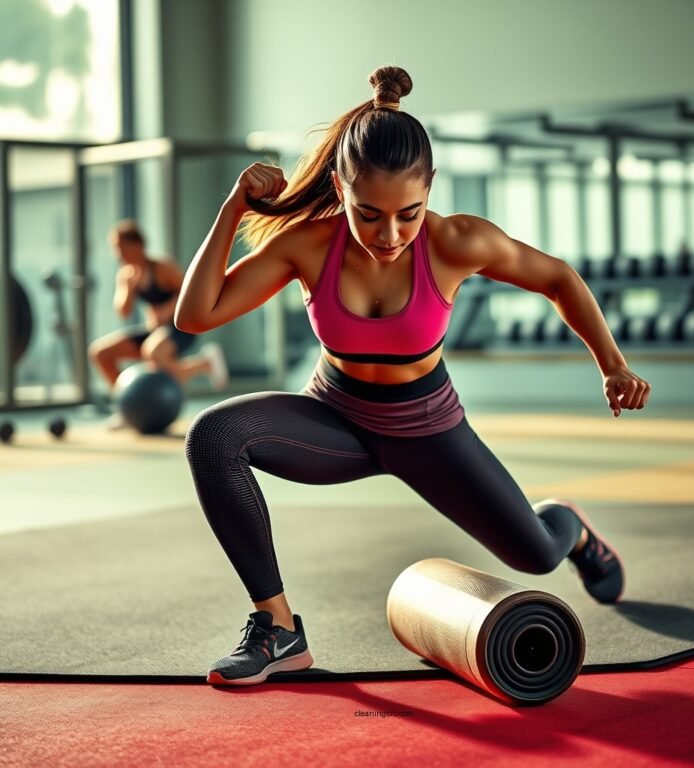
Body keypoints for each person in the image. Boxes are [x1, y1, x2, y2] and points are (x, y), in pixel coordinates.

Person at [176, 65, 651, 687]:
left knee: (535, 553)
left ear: (430, 189)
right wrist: (234, 207)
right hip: (336, 422)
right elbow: (196, 314)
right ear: (341, 188)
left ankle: (571, 528)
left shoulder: (455, 242)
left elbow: (558, 277)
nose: (390, 234)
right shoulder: (310, 245)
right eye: (368, 214)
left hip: (428, 431)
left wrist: (613, 365)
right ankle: (279, 630)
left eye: (409, 213)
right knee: (213, 435)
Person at [88, 220, 229, 424]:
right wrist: (127, 288)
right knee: (100, 353)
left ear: (136, 245)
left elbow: (191, 291)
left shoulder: (162, 268)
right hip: (155, 331)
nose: (116, 253)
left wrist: (167, 309)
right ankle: (127, 407)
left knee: (153, 352)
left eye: (119, 246)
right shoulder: (126, 274)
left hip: (180, 328)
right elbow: (123, 312)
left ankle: (203, 364)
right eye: (114, 248)